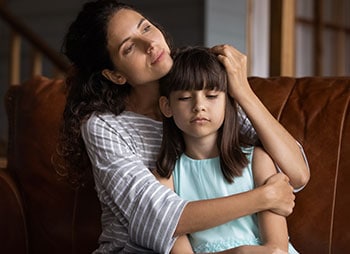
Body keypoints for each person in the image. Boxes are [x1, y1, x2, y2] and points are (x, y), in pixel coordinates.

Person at [57, 0, 310, 253]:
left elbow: (296, 174)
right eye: (130, 47)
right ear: (115, 75)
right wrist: (263, 198)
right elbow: (159, 221)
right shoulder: (103, 126)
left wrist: (242, 92)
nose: (151, 44)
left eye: (145, 28)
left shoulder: (199, 88)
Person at [156, 46, 299, 253]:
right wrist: (238, 252)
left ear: (228, 102)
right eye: (185, 98)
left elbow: (277, 249)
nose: (199, 106)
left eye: (212, 96)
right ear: (166, 106)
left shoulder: (257, 160)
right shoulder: (166, 175)